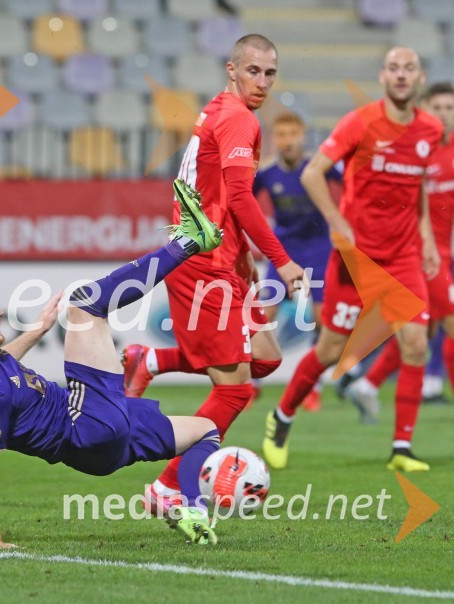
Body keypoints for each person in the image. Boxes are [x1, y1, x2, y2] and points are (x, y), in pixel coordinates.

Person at [0, 179, 223, 547]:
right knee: (86, 304)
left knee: (206, 430)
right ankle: (188, 242)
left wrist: (38, 329)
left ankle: (194, 511)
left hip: (100, 451)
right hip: (84, 425)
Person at [121, 34, 305, 514]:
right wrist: (281, 260)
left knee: (266, 357)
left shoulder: (218, 110)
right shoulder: (239, 118)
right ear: (232, 69)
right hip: (206, 265)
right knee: (236, 389)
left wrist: (245, 256)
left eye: (270, 73)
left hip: (222, 256)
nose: (262, 82)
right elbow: (240, 198)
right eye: (253, 71)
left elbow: (217, 194)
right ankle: (168, 486)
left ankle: (151, 360)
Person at [263, 48, 444, 472]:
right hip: (356, 259)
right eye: (394, 68)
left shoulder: (430, 128)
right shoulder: (360, 122)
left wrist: (427, 238)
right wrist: (337, 220)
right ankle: (282, 416)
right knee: (330, 349)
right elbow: (312, 173)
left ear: (420, 78)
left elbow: (418, 186)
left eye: (409, 68)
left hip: (403, 258)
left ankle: (401, 448)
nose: (402, 75)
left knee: (416, 344)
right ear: (383, 77)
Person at [342, 82, 454, 415]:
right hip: (413, 255)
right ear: (425, 110)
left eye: (450, 108)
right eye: (438, 108)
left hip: (441, 253)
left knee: (424, 329)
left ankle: (367, 384)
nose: (444, 115)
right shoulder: (412, 148)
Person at [253, 112, 344, 412]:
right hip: (283, 251)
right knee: (264, 314)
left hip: (319, 249)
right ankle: (252, 383)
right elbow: (242, 201)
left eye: (293, 134)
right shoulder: (267, 174)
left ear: (303, 136)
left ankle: (313, 387)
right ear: (274, 139)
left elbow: (350, 186)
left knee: (321, 319)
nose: (287, 140)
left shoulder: (318, 168)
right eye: (281, 134)